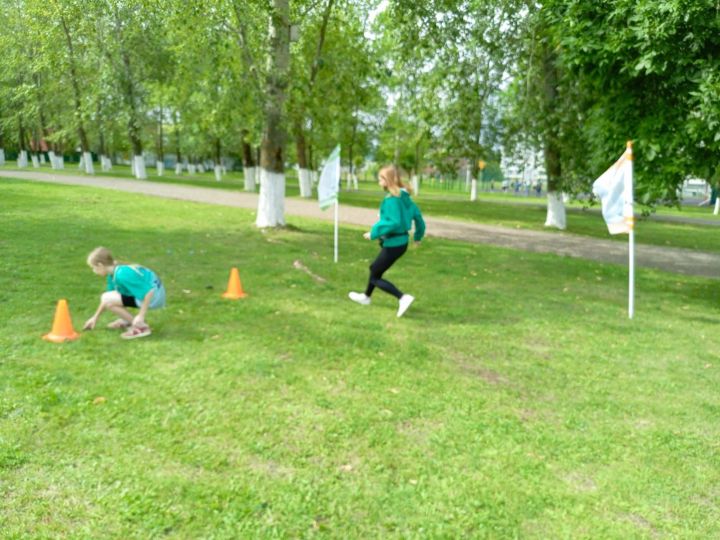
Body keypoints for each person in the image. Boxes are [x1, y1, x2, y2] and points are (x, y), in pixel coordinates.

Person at [348, 165, 425, 317]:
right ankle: (366, 297)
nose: (378, 182)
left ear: (388, 180)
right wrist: (417, 237)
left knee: (375, 274)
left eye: (380, 178)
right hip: (401, 242)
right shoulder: (405, 198)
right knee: (375, 269)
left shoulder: (392, 200)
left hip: (394, 243)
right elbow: (419, 219)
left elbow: (394, 222)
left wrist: (374, 232)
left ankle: (402, 297)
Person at [83, 247, 166, 339]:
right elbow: (106, 301)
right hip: (153, 294)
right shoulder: (113, 273)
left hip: (154, 298)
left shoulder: (122, 274)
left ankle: (141, 327)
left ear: (100, 265)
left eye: (93, 268)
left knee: (108, 298)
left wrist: (141, 316)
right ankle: (128, 320)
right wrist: (95, 317)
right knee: (109, 301)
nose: (93, 271)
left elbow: (149, 292)